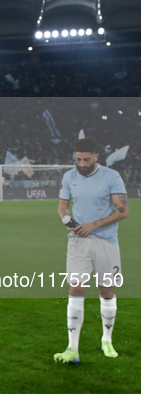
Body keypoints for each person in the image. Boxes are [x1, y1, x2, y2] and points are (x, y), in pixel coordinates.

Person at [54, 138, 129, 365]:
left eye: (86, 159)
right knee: (76, 289)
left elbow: (123, 210)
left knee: (106, 291)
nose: (82, 163)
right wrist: (69, 222)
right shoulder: (69, 177)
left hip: (105, 241)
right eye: (78, 159)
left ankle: (107, 339)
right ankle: (72, 348)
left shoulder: (111, 176)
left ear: (96, 156)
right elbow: (62, 207)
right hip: (78, 243)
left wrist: (93, 225)